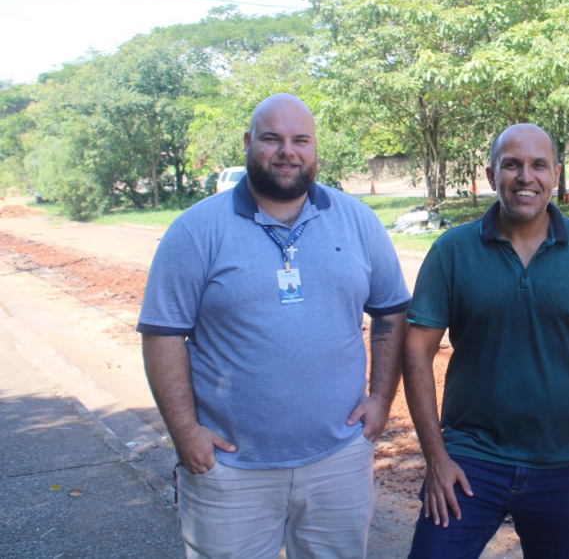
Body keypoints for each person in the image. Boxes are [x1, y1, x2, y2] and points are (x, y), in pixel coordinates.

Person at [137, 93, 411, 558]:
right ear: (248, 143)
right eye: (272, 139)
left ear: (315, 149)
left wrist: (381, 400)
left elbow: (390, 312)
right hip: (229, 468)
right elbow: (163, 333)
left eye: (300, 140)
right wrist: (185, 433)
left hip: (338, 461)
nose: (288, 151)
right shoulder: (196, 229)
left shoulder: (358, 222)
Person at [404, 123, 569, 559]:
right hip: (469, 459)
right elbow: (417, 349)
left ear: (556, 174)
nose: (525, 177)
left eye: (538, 165)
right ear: (491, 175)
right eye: (512, 165)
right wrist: (436, 457)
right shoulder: (452, 251)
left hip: (563, 463)